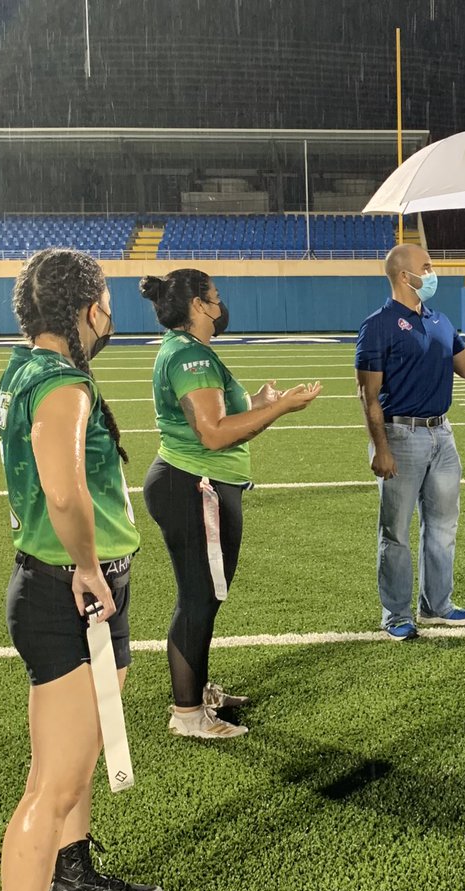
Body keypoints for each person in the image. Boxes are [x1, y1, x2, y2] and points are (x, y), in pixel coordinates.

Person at [0, 248, 162, 891]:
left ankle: (73, 876)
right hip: (69, 591)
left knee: (78, 761)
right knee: (50, 783)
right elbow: (63, 490)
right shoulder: (58, 383)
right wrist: (91, 568)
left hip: (65, 587)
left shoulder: (27, 371)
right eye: (106, 300)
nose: (111, 313)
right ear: (81, 308)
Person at [140, 269, 321, 736]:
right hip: (196, 483)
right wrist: (280, 408)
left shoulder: (191, 351)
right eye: (215, 297)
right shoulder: (190, 357)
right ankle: (188, 714)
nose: (222, 305)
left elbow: (220, 415)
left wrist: (260, 401)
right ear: (198, 306)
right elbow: (214, 433)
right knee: (198, 598)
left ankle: (196, 690)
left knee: (203, 596)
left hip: (196, 481)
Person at [356, 244, 465, 640]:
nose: (432, 273)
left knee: (443, 527)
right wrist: (381, 446)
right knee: (396, 532)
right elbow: (367, 395)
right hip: (400, 434)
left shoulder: (440, 320)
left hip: (442, 435)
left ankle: (436, 605)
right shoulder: (377, 324)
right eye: (425, 267)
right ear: (402, 276)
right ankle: (395, 614)